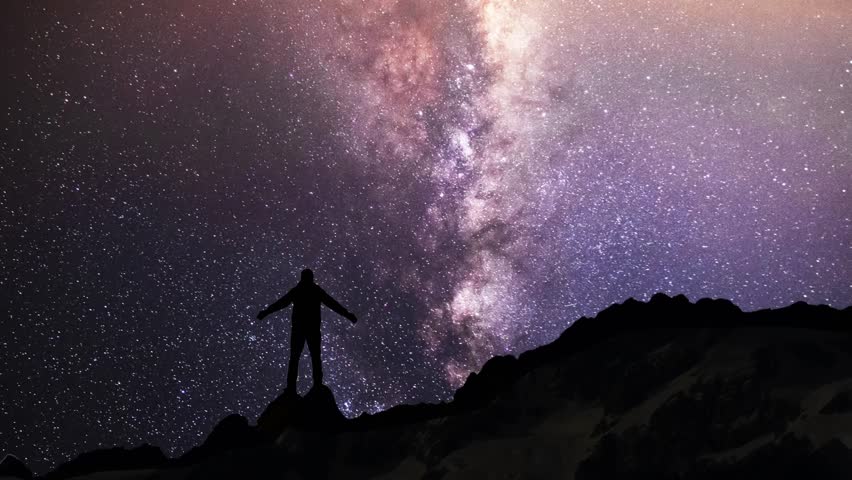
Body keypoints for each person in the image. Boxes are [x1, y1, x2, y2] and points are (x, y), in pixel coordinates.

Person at [257, 268, 357, 392]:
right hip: (311, 329)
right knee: (314, 357)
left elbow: (281, 303)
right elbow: (333, 304)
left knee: (297, 358)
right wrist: (348, 315)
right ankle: (316, 385)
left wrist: (265, 312)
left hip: (299, 329)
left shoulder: (298, 291)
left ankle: (292, 388)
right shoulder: (315, 290)